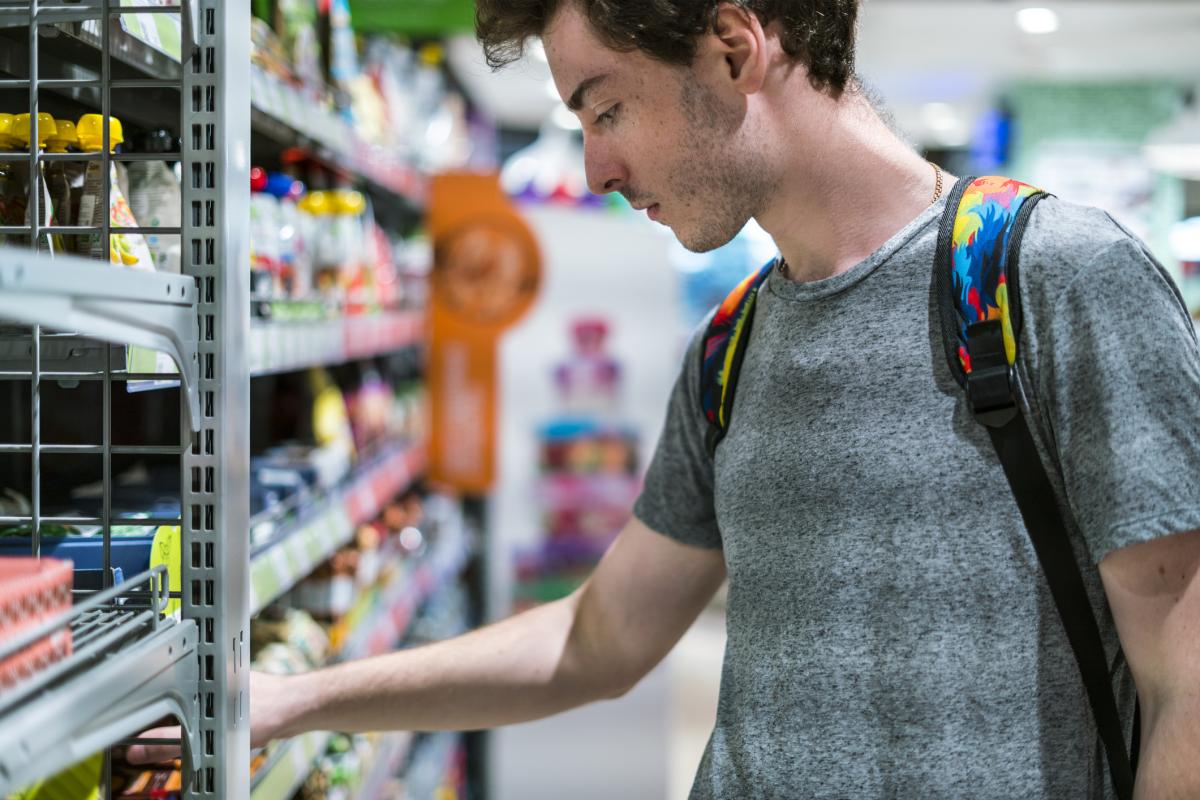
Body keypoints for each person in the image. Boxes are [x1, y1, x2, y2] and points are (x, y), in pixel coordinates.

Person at [134, 1, 1200, 796]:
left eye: (606, 107)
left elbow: (1184, 687)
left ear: (733, 48)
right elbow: (596, 639)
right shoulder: (732, 347)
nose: (595, 165)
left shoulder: (1054, 278)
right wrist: (297, 694)